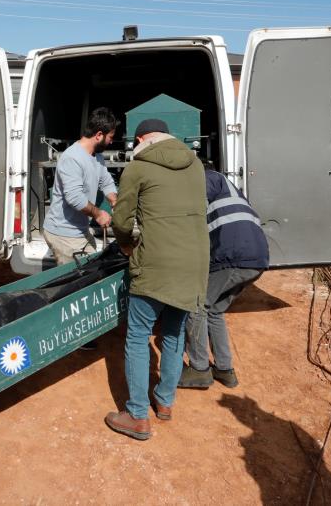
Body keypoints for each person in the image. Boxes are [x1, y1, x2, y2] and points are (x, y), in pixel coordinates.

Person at [106, 119, 209, 440]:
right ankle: (164, 403)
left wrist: (126, 245)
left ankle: (137, 416)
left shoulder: (138, 167)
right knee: (174, 331)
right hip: (193, 263)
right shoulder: (195, 164)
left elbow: (122, 220)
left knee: (138, 335)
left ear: (140, 139)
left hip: (156, 263)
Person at [179, 165, 269, 390]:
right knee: (215, 310)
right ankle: (224, 369)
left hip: (234, 256)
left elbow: (192, 210)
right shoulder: (230, 188)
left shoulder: (207, 177)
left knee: (196, 306)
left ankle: (199, 369)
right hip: (255, 258)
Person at [42, 107, 120, 265]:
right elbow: (75, 198)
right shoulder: (72, 158)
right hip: (64, 233)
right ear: (99, 135)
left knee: (90, 271)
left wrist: (114, 200)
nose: (111, 141)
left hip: (80, 230)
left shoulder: (96, 157)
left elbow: (106, 181)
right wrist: (99, 214)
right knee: (75, 283)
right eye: (110, 137)